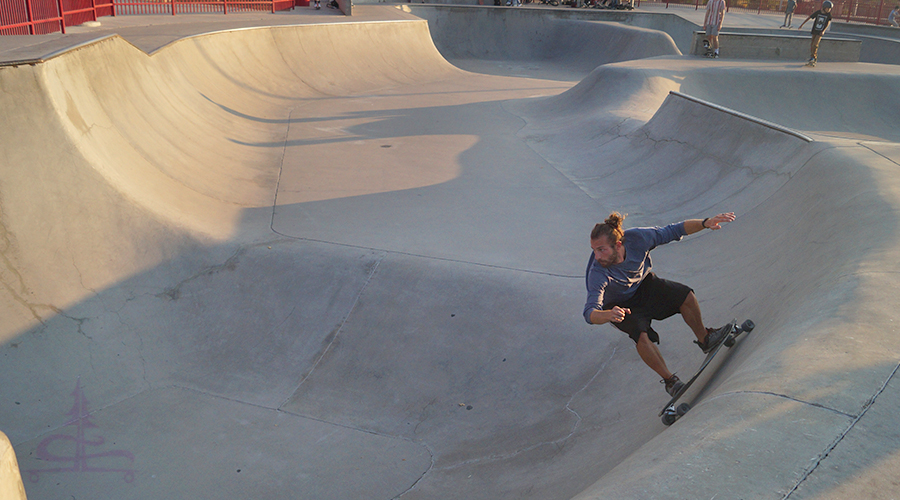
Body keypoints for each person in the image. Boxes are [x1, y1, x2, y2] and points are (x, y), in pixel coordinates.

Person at [583, 212, 736, 397]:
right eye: (594, 250)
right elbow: (590, 312)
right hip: (618, 306)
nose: (597, 256)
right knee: (641, 335)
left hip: (644, 286)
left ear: (618, 245)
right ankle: (671, 381)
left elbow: (674, 230)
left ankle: (706, 339)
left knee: (685, 295)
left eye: (601, 249)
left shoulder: (638, 238)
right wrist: (607, 314)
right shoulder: (597, 273)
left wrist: (705, 223)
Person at [798, 0, 834, 66]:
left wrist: (823, 31)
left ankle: (814, 58)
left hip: (820, 32)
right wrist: (802, 25)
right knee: (812, 44)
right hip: (814, 30)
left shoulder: (828, 15)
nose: (829, 10)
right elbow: (809, 17)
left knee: (815, 44)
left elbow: (828, 23)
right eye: (828, 8)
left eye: (830, 9)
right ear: (824, 7)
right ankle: (812, 57)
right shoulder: (818, 12)